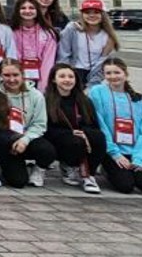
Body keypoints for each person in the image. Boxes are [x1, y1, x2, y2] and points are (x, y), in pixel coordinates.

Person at [88, 57, 142, 195]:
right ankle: (107, 169)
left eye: (117, 72)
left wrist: (139, 157)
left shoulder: (136, 99)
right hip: (112, 150)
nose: (113, 77)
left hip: (134, 150)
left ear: (125, 74)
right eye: (108, 73)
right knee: (126, 186)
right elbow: (100, 125)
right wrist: (115, 154)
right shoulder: (97, 92)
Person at [43, 62, 105, 193]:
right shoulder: (46, 100)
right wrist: (70, 133)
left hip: (82, 136)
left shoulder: (84, 100)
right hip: (59, 139)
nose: (67, 80)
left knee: (98, 137)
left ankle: (89, 175)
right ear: (54, 79)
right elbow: (45, 128)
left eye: (71, 77)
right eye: (62, 76)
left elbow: (93, 125)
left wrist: (84, 132)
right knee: (74, 141)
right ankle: (68, 165)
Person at [0, 58, 56, 188]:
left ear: (23, 74)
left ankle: (39, 169)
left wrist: (25, 139)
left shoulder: (36, 95)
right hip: (6, 141)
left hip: (27, 138)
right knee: (18, 182)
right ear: (0, 75)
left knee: (47, 150)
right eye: (7, 75)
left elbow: (39, 124)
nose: (12, 79)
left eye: (15, 75)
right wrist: (11, 140)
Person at [57, 0, 119, 87]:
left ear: (103, 15)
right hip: (72, 73)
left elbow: (102, 62)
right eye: (87, 12)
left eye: (96, 12)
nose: (91, 15)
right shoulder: (72, 29)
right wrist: (66, 76)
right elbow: (63, 54)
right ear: (82, 15)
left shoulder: (108, 36)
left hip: (95, 75)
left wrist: (93, 83)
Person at [9, 0, 58, 92]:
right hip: (18, 77)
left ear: (37, 11)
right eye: (23, 8)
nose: (27, 11)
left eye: (31, 8)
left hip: (41, 77)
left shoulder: (48, 33)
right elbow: (13, 56)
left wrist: (43, 85)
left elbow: (48, 61)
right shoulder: (11, 32)